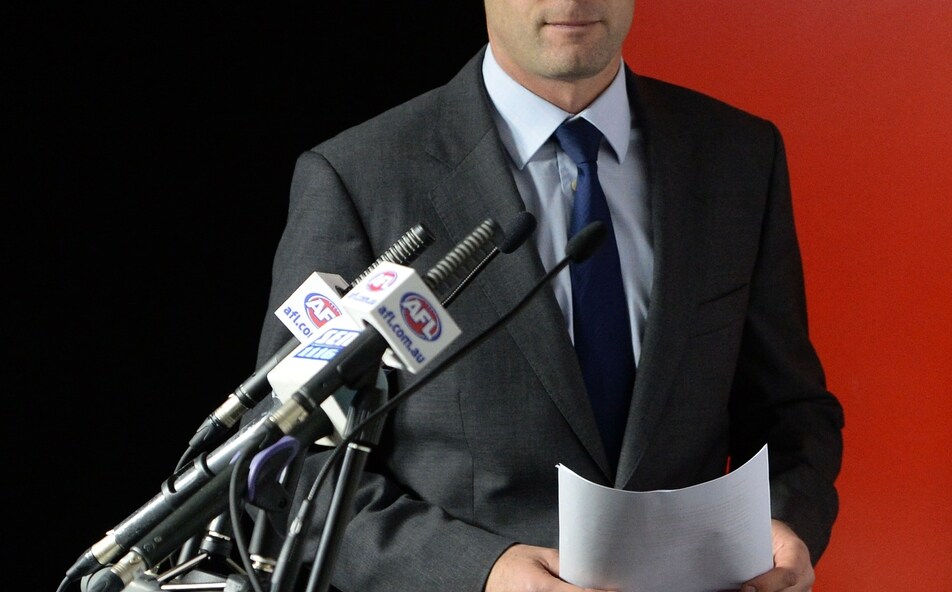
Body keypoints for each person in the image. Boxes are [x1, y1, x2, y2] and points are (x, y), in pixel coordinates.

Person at [252, 1, 845, 591]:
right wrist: (482, 572)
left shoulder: (738, 156)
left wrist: (784, 521)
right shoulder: (358, 177)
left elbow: (791, 412)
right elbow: (287, 459)